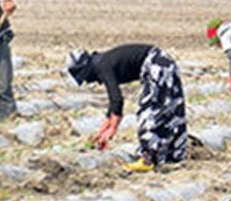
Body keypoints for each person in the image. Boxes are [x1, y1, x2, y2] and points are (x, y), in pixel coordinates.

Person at [65, 44, 188, 173]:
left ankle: (148, 159)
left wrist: (112, 130)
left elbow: (117, 99)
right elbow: (113, 105)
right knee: (168, 109)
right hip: (163, 62)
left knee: (149, 111)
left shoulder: (102, 66)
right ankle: (173, 154)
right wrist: (103, 130)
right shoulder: (102, 61)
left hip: (156, 65)